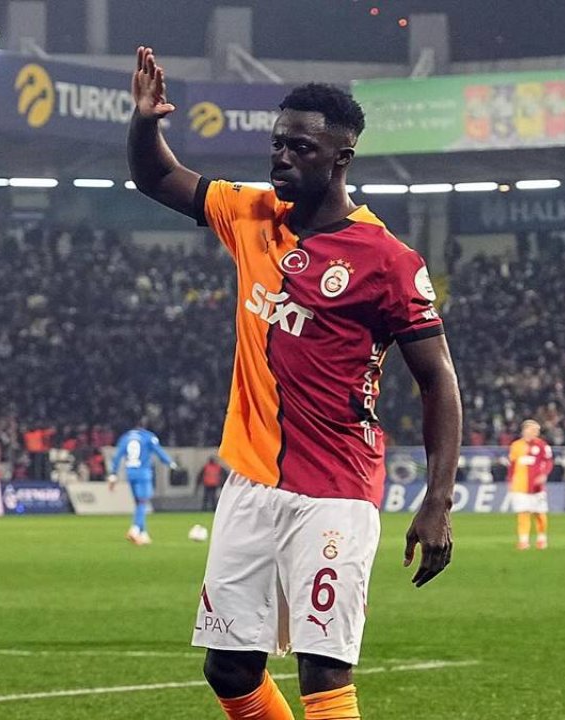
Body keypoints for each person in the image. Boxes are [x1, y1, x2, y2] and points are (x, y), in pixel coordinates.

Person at [128, 46, 459, 720]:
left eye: (300, 148)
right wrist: (144, 122)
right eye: (277, 144)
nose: (281, 158)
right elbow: (156, 177)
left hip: (335, 489)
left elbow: (438, 382)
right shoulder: (250, 213)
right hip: (252, 480)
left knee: (322, 670)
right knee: (228, 669)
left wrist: (438, 500)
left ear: (341, 159)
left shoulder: (387, 261)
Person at [109, 422, 176, 545]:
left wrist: (113, 474)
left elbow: (117, 456)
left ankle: (143, 534)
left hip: (130, 473)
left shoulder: (125, 437)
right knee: (143, 502)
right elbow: (158, 451)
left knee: (139, 503)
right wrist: (170, 463)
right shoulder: (148, 437)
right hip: (143, 473)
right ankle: (134, 529)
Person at [507, 419, 553, 550]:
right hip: (520, 485)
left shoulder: (542, 445)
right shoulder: (516, 446)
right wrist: (510, 480)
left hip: (537, 487)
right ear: (525, 430)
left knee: (539, 514)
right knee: (523, 513)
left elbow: (549, 462)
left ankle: (541, 538)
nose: (535, 432)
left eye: (537, 431)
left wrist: (544, 474)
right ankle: (523, 541)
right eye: (533, 430)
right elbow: (512, 465)